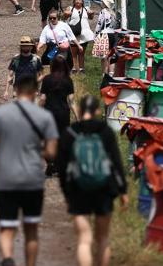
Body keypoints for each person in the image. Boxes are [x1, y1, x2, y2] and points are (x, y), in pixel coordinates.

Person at [0, 75, 58, 266]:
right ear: (35, 92)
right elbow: (51, 154)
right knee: (31, 230)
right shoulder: (45, 117)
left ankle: (7, 258)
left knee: (7, 227)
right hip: (33, 180)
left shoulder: (0, 114)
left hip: (6, 179)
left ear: (15, 90)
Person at [56, 95, 128, 266]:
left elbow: (62, 167)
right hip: (104, 188)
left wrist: (67, 194)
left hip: (78, 189)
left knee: (84, 239)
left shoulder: (70, 133)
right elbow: (116, 162)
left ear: (80, 110)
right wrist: (123, 190)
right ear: (97, 111)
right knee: (102, 238)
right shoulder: (105, 131)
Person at [39, 55, 74, 176]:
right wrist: (79, 117)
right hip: (63, 113)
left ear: (52, 66)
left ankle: (50, 162)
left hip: (49, 113)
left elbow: (43, 98)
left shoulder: (47, 79)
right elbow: (71, 101)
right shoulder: (68, 80)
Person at [4, 36, 44, 101]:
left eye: (27, 46)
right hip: (17, 92)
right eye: (23, 46)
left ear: (31, 47)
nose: (25, 47)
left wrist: (35, 82)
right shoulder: (15, 59)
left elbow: (41, 75)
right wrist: (6, 91)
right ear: (21, 47)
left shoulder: (36, 59)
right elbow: (10, 75)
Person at [64, 0, 95, 74]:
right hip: (73, 33)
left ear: (82, 1)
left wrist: (92, 13)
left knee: (81, 52)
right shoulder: (70, 8)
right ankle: (74, 67)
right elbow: (64, 16)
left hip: (84, 34)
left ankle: (81, 68)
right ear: (74, 1)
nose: (78, 1)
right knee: (73, 52)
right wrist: (67, 13)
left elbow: (91, 18)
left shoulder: (86, 9)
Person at [94, 0, 118, 76]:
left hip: (104, 33)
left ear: (104, 4)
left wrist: (95, 35)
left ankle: (104, 73)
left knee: (104, 56)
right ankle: (111, 72)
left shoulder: (103, 12)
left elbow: (100, 24)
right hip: (113, 34)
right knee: (111, 54)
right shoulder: (113, 13)